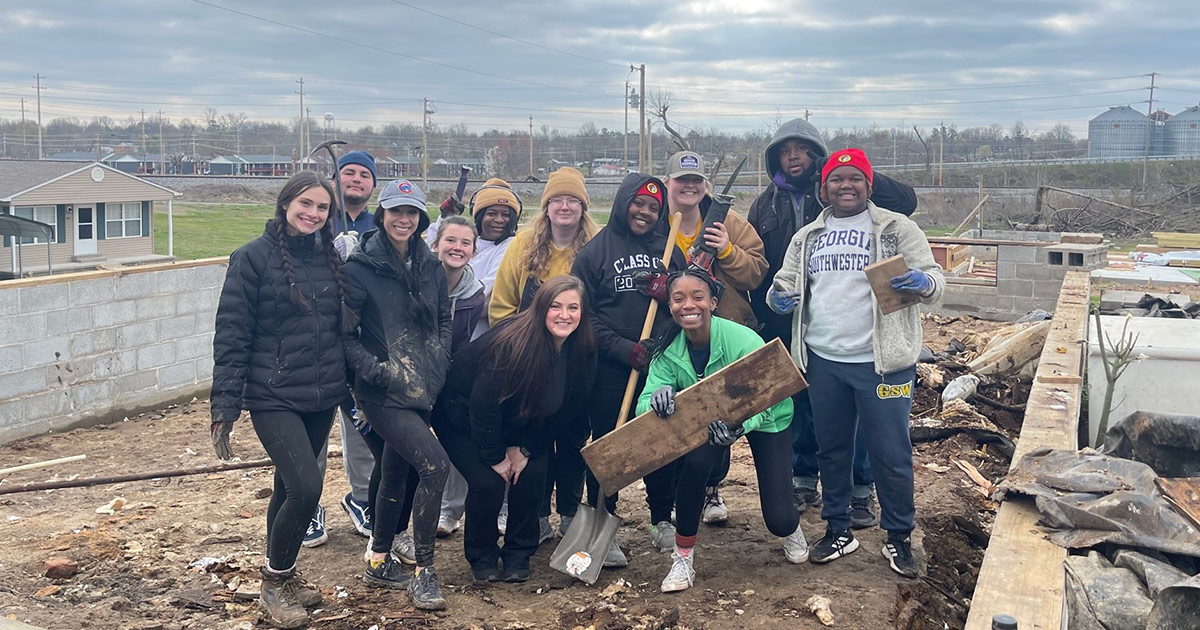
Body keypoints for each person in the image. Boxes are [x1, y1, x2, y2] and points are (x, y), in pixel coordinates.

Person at [767, 148, 943, 578]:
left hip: (884, 364)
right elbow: (784, 282)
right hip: (825, 362)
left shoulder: (895, 228)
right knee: (833, 449)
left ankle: (899, 536)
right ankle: (839, 529)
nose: (846, 186)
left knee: (891, 452)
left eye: (855, 179)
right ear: (824, 186)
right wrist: (778, 296)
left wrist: (924, 282)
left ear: (869, 185)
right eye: (837, 179)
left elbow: (936, 279)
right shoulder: (808, 236)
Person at [747, 118, 918, 525]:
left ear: (815, 156)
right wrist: (768, 309)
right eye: (786, 151)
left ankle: (861, 491)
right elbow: (765, 264)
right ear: (776, 157)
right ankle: (804, 478)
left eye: (803, 150)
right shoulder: (765, 204)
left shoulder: (839, 195)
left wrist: (846, 172)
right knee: (807, 410)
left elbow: (906, 199)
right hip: (791, 323)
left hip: (864, 339)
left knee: (859, 418)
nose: (794, 157)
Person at [210, 171, 354, 628]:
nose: (313, 214)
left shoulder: (330, 258)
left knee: (287, 487)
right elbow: (232, 334)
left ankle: (286, 576)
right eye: (305, 204)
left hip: (322, 393)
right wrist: (225, 408)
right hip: (273, 394)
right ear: (286, 203)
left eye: (322, 208)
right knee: (308, 488)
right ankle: (272, 585)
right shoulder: (251, 258)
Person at [637, 269, 807, 594]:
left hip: (766, 416)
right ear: (669, 306)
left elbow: (771, 393)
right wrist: (654, 402)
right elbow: (644, 405)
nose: (689, 305)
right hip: (711, 421)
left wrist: (743, 424)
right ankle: (683, 556)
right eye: (678, 298)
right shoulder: (667, 351)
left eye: (697, 297)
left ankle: (791, 529)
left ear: (713, 302)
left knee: (780, 518)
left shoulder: (742, 340)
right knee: (694, 467)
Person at [434, 276, 596, 583]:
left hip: (523, 424)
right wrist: (496, 456)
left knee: (532, 473)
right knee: (489, 481)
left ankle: (519, 553)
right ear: (540, 309)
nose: (564, 315)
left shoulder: (583, 348)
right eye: (555, 306)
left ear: (583, 312)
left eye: (573, 307)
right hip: (462, 417)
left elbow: (569, 408)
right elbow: (484, 407)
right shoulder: (512, 344)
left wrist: (526, 448)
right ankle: (482, 556)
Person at [342, 179, 452, 610]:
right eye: (395, 212)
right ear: (381, 215)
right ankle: (424, 571)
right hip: (382, 393)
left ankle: (378, 559)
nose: (403, 220)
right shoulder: (358, 268)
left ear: (421, 220)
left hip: (424, 387)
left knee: (396, 472)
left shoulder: (429, 265)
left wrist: (440, 360)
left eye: (411, 213)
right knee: (434, 466)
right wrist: (381, 371)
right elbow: (346, 338)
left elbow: (444, 319)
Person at [571, 172, 685, 561]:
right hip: (610, 367)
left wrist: (670, 289)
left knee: (660, 440)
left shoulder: (670, 250)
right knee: (608, 443)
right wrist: (623, 349)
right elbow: (582, 317)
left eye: (654, 207)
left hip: (661, 364)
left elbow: (691, 302)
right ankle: (604, 520)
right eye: (638, 203)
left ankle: (660, 519)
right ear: (623, 203)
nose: (646, 212)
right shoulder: (594, 253)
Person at [489, 167, 598, 542]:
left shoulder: (594, 246)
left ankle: (570, 514)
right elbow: (502, 305)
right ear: (546, 206)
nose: (564, 207)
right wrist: (517, 348)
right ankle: (536, 515)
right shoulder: (522, 245)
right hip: (530, 361)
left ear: (583, 208)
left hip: (576, 360)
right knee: (531, 440)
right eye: (557, 200)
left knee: (571, 440)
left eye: (573, 200)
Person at [662, 150, 769, 524]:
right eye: (681, 180)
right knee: (672, 413)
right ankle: (677, 493)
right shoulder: (658, 222)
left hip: (725, 334)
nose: (689, 187)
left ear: (704, 185)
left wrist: (726, 249)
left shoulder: (732, 224)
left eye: (695, 181)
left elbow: (756, 273)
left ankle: (710, 489)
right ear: (669, 184)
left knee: (721, 414)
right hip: (671, 339)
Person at [309, 149, 379, 548]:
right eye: (348, 173)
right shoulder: (319, 219)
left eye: (363, 175)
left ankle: (363, 498)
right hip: (317, 343)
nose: (355, 180)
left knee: (361, 423)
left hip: (360, 343)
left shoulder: (379, 224)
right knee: (312, 429)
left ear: (372, 184)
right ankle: (305, 504)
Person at [464, 179, 523, 337]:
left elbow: (485, 297)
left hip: (485, 335)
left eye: (505, 214)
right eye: (491, 213)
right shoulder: (467, 242)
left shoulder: (510, 246)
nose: (499, 220)